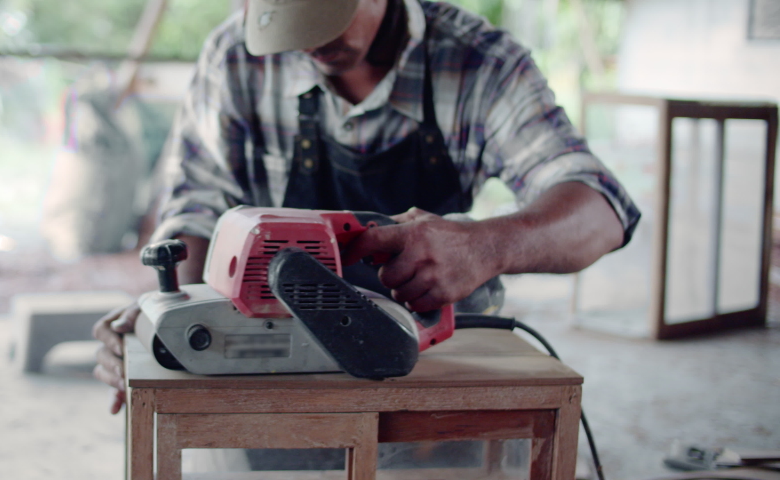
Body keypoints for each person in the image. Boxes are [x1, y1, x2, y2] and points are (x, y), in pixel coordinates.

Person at [94, 0, 640, 468]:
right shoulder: (236, 58)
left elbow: (601, 207)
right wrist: (170, 322)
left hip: (431, 376)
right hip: (275, 370)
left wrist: (486, 246)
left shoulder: (479, 62)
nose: (309, 39)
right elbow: (195, 206)